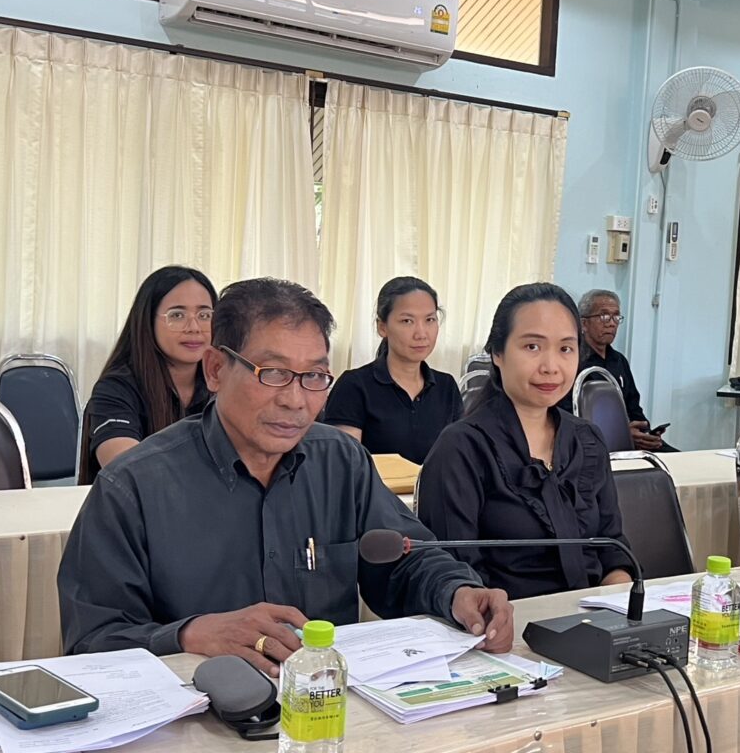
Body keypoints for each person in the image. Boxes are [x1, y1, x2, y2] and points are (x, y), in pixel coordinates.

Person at [58, 278, 513, 677]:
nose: (296, 400)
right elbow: (93, 641)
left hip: (327, 708)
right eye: (273, 373)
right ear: (216, 369)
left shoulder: (341, 462)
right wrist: (190, 634)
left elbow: (405, 561)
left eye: (314, 375)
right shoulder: (133, 486)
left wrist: (457, 592)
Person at [418, 283, 634, 601]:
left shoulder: (587, 440)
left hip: (590, 618)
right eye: (532, 347)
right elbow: (456, 572)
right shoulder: (462, 448)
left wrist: (617, 593)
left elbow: (612, 546)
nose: (550, 367)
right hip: (503, 621)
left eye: (565, 349)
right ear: (498, 353)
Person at [78, 266, 218, 484]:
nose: (194, 327)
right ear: (147, 321)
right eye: (177, 315)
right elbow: (126, 470)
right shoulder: (116, 387)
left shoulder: (224, 383)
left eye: (204, 315)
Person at [322, 277, 463, 464]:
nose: (421, 334)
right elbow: (345, 465)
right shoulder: (354, 386)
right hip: (374, 484)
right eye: (407, 321)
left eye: (430, 319)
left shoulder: (446, 386)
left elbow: (458, 457)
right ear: (382, 327)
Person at [558, 289, 673, 451]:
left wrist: (646, 433)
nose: (611, 323)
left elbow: (633, 407)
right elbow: (565, 415)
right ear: (583, 323)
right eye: (604, 316)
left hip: (632, 440)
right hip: (589, 443)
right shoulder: (572, 360)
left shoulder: (619, 361)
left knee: (681, 459)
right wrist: (621, 432)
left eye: (616, 317)